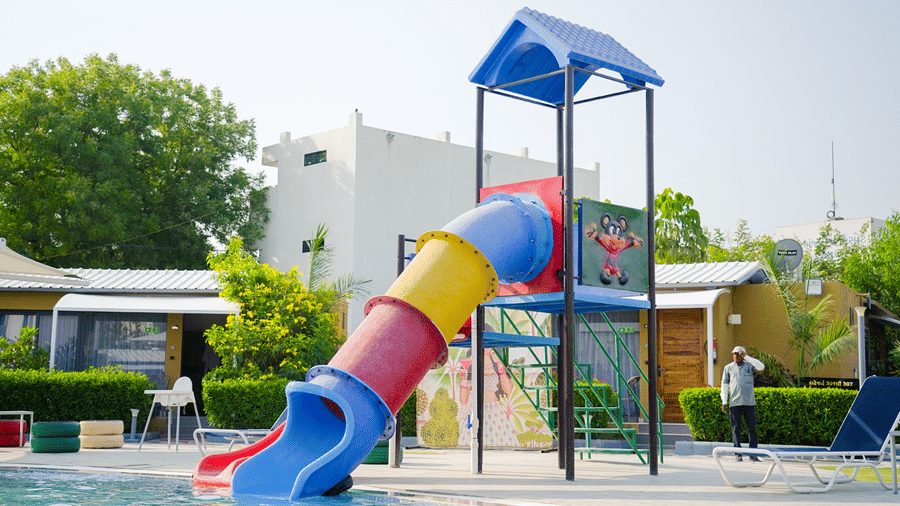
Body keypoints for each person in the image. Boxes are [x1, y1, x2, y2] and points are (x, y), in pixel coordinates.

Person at [720, 345, 765, 462]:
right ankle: (738, 454)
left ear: (743, 355)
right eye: (734, 354)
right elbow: (724, 385)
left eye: (738, 354)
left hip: (749, 402)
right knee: (736, 429)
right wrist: (724, 401)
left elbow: (761, 367)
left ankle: (753, 454)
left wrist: (747, 357)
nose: (735, 356)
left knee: (752, 429)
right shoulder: (728, 368)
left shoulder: (750, 366)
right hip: (735, 403)